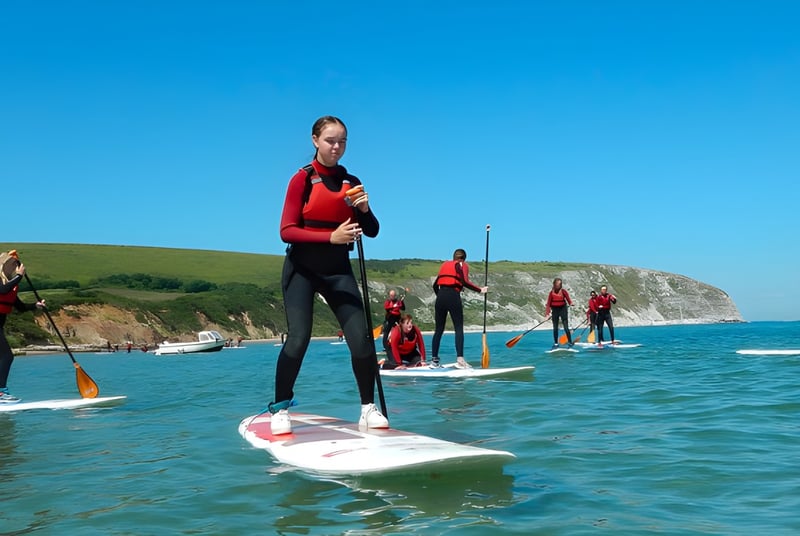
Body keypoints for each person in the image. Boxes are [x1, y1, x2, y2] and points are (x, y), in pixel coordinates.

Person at [270, 115, 388, 435]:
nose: (336, 147)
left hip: (338, 271)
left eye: (342, 142)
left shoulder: (352, 182)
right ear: (315, 140)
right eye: (330, 141)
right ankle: (280, 408)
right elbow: (286, 230)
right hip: (302, 270)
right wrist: (330, 237)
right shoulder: (302, 180)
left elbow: (373, 231)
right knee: (298, 338)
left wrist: (364, 209)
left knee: (362, 339)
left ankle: (367, 408)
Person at [430, 248, 488, 369]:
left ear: (453, 257)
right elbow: (464, 282)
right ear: (463, 258)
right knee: (458, 328)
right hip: (453, 296)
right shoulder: (462, 265)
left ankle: (434, 361)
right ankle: (460, 359)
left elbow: (435, 285)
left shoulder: (445, 265)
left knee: (438, 329)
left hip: (440, 297)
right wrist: (480, 290)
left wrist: (441, 297)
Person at [0, 250, 45, 403]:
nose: (15, 268)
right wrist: (19, 276)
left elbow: (20, 307)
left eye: (16, 266)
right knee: (7, 356)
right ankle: (1, 393)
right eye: (12, 265)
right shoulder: (3, 283)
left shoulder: (11, 286)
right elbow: (2, 290)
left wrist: (36, 305)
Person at [544, 278, 574, 347]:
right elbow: (548, 304)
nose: (559, 285)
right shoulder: (551, 293)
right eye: (558, 284)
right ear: (554, 284)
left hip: (563, 309)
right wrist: (547, 314)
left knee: (566, 327)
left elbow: (568, 299)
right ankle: (556, 343)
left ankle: (570, 341)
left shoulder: (563, 291)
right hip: (555, 310)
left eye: (560, 284)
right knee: (555, 327)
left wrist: (571, 303)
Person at [381, 289, 405, 353]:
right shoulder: (388, 301)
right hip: (390, 318)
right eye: (391, 295)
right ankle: (386, 347)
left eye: (393, 295)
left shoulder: (398, 301)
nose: (392, 297)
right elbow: (386, 308)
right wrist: (393, 306)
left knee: (400, 331)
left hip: (397, 318)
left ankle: (400, 345)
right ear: (389, 295)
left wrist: (402, 302)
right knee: (386, 332)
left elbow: (403, 308)